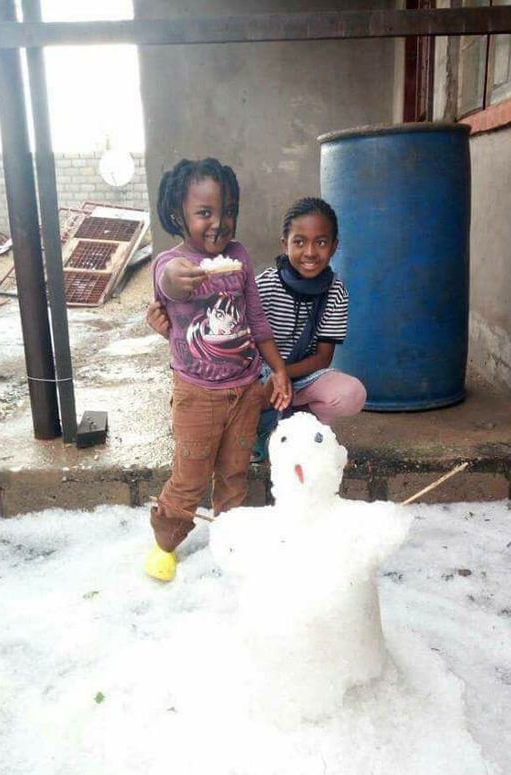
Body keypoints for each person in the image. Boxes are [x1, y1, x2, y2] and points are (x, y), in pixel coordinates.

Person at [145, 157, 290, 583]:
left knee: (234, 472)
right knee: (190, 477)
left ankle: (231, 540)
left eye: (227, 212)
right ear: (179, 215)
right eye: (204, 213)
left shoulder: (240, 256)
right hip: (197, 395)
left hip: (245, 389)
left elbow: (257, 320)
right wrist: (176, 280)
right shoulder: (171, 263)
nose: (218, 224)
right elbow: (166, 282)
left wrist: (277, 370)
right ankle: (165, 543)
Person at [147, 196, 366, 460]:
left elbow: (322, 358)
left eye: (320, 242)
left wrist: (281, 375)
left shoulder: (335, 291)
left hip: (301, 375)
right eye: (299, 242)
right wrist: (167, 330)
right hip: (254, 376)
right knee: (223, 428)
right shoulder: (264, 285)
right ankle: (260, 425)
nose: (310, 252)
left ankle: (304, 423)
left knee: (351, 393)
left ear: (334, 247)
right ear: (285, 244)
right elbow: (222, 334)